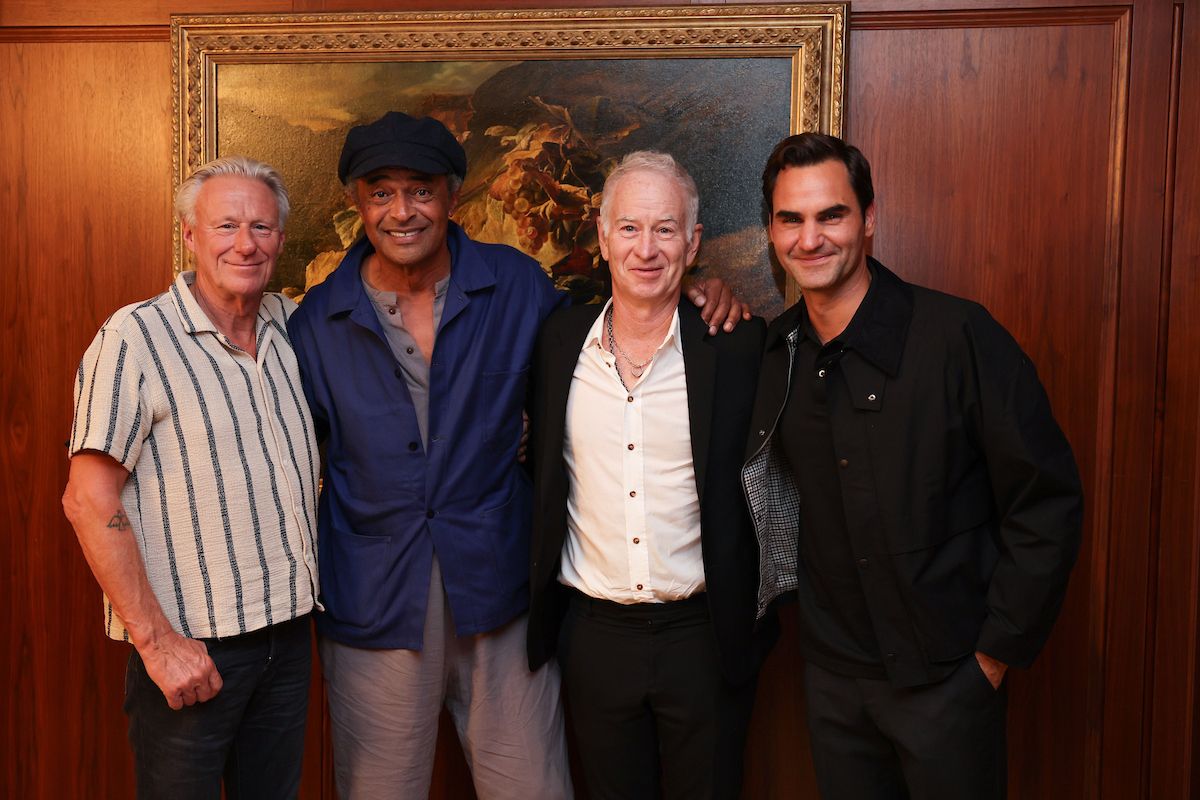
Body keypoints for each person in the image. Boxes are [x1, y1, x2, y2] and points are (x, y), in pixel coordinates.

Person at [286, 112, 745, 799]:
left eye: (421, 189)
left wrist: (700, 289)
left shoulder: (519, 287)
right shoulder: (316, 322)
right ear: (358, 202)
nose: (402, 210)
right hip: (374, 607)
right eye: (381, 191)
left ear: (452, 196)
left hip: (500, 597)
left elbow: (624, 314)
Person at [743, 132, 1084, 799]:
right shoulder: (774, 357)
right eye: (791, 219)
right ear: (772, 232)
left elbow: (1046, 501)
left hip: (950, 685)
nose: (810, 238)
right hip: (834, 686)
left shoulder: (958, 337)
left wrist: (992, 658)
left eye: (831, 215)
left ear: (868, 219)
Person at [62, 156, 320, 799]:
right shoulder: (134, 337)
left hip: (288, 642)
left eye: (261, 227)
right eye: (226, 224)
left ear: (281, 241)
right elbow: (88, 499)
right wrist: (158, 646)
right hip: (192, 649)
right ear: (190, 234)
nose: (245, 242)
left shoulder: (293, 327)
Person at [526, 151, 775, 799]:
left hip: (705, 637)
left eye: (665, 229)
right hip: (593, 638)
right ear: (603, 236)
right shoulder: (556, 345)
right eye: (630, 228)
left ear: (693, 244)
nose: (646, 248)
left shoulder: (739, 346)